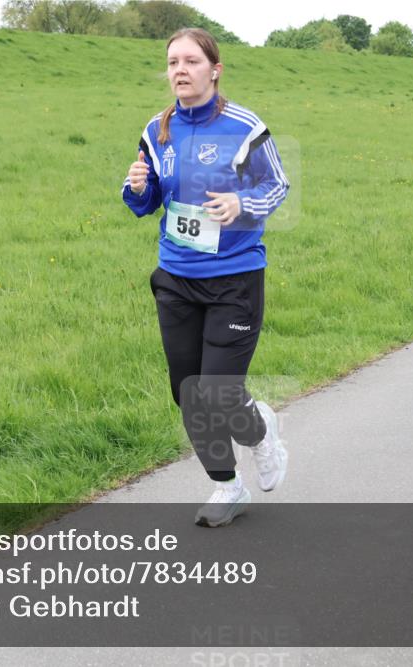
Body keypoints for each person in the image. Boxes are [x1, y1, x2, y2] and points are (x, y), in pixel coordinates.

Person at [121, 27, 290, 527]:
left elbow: (277, 185)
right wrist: (136, 187)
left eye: (191, 61)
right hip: (176, 277)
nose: (180, 70)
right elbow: (148, 201)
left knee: (218, 389)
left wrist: (243, 203)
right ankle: (226, 486)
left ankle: (260, 433)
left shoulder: (245, 126)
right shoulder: (157, 130)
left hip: (235, 278)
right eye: (173, 61)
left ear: (214, 69)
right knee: (190, 391)